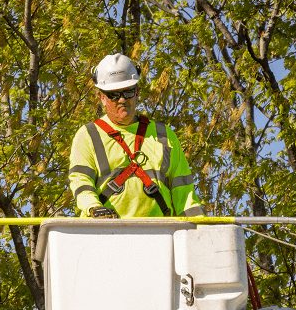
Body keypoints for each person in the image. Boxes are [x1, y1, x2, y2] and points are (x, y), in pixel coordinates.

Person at [68, 54, 204, 219]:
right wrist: (93, 207)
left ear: (137, 92)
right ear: (102, 98)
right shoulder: (89, 135)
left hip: (159, 234)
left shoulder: (164, 135)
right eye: (114, 94)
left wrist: (199, 230)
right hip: (104, 233)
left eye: (128, 92)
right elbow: (81, 181)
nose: (122, 99)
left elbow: (184, 192)